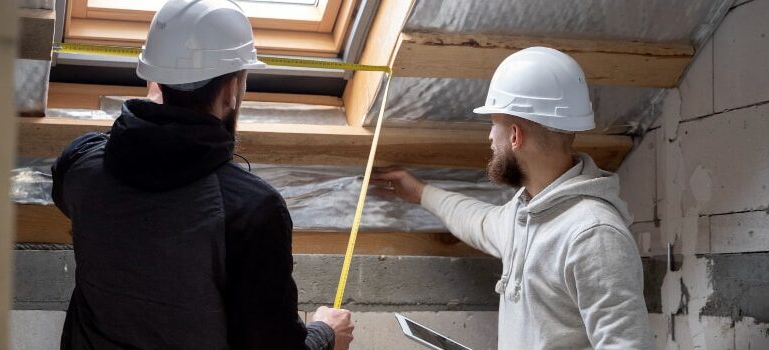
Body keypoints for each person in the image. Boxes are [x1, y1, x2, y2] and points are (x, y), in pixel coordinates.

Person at [52, 1, 354, 349]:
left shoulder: (79, 166)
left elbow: (94, 174)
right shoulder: (252, 209)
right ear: (230, 91)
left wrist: (148, 118)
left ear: (155, 80)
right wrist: (326, 334)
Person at [372, 47, 653, 349]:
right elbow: (478, 221)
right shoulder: (527, 212)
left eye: (494, 123)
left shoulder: (592, 235)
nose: (490, 138)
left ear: (516, 135)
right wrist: (420, 193)